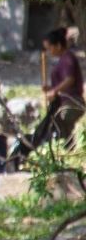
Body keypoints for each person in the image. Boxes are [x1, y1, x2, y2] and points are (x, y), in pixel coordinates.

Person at [13, 28, 85, 166]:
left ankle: (67, 160)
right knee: (60, 131)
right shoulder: (62, 60)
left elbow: (69, 80)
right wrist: (50, 89)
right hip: (63, 103)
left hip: (71, 104)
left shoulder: (68, 59)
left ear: (58, 45)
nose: (49, 52)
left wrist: (54, 91)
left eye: (50, 48)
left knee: (61, 129)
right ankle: (66, 159)